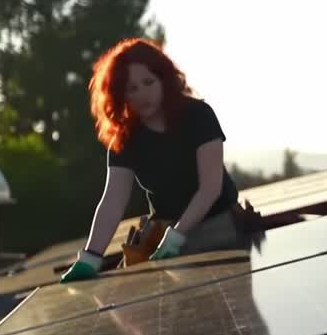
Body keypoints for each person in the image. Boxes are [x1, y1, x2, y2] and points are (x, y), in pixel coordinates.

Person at [61, 38, 244, 283]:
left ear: (164, 79)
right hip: (165, 237)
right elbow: (113, 201)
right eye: (131, 88)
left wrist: (177, 236)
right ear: (120, 95)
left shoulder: (198, 115)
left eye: (148, 82)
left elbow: (210, 188)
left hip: (218, 229)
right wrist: (90, 257)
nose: (141, 94)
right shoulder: (125, 137)